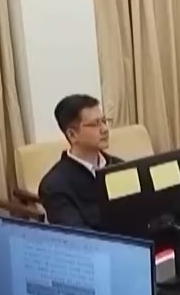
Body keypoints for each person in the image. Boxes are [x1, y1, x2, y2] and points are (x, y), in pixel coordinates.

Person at [37, 94, 123, 229]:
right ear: (72, 135)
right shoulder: (54, 185)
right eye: (95, 124)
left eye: (104, 121)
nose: (105, 129)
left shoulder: (119, 166)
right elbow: (78, 236)